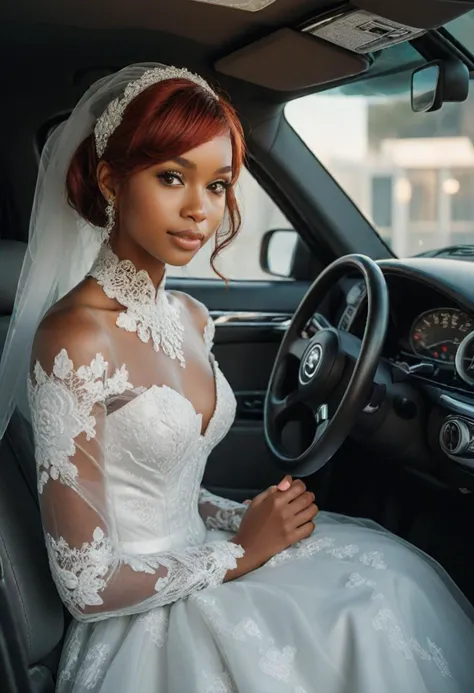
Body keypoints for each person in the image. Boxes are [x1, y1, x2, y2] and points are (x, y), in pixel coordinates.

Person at [0, 63, 473, 693]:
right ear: (112, 181)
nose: (201, 210)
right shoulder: (75, 337)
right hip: (140, 617)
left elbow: (157, 483)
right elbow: (86, 585)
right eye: (172, 177)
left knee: (388, 585)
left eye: (219, 185)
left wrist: (235, 516)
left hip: (203, 555)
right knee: (357, 624)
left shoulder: (192, 316)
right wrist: (242, 551)